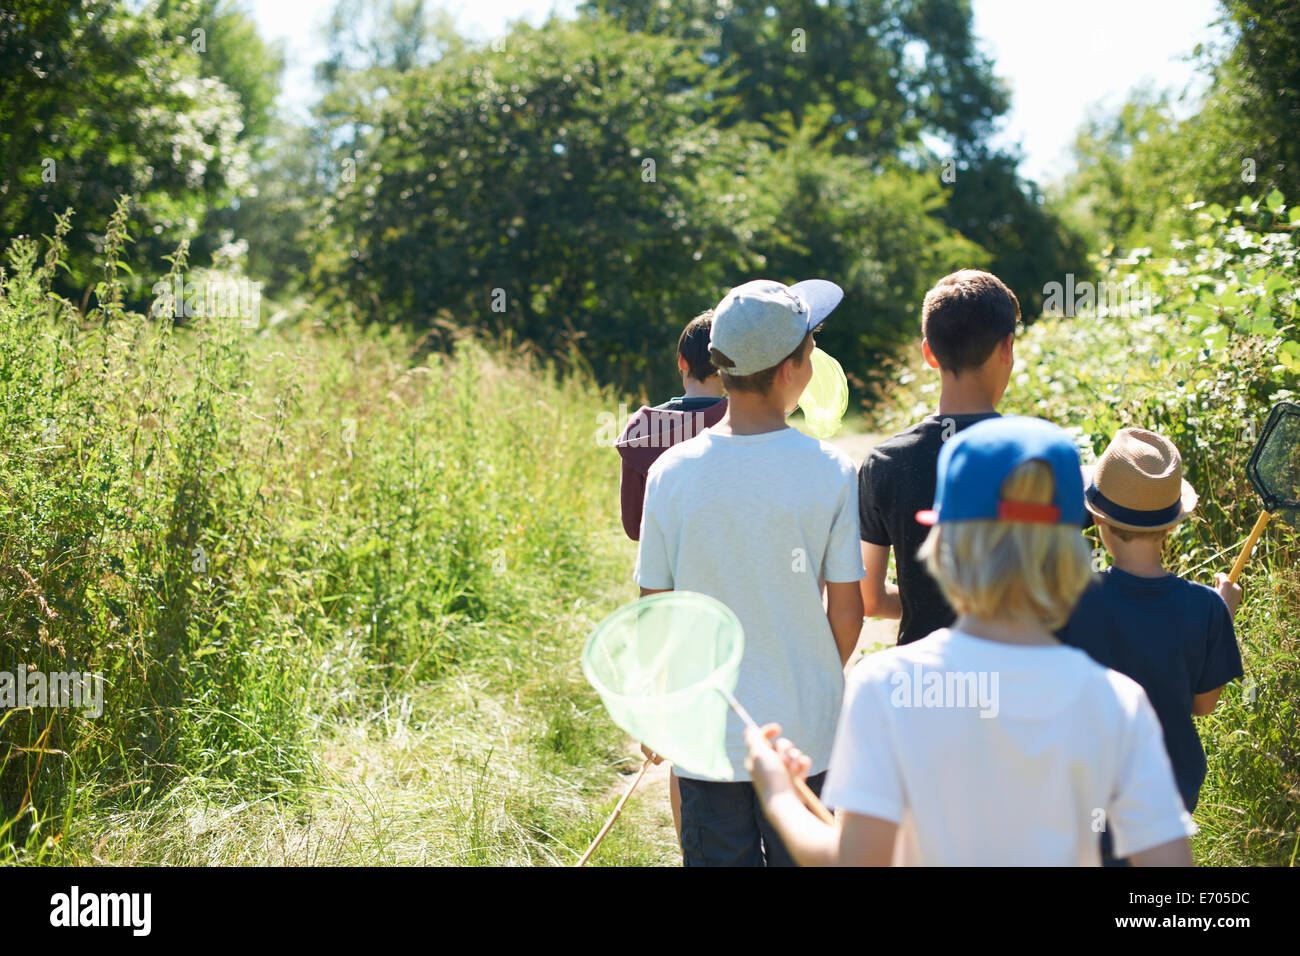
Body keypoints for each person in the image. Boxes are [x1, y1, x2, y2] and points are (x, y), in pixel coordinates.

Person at [745, 417, 1197, 866]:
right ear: (1067, 549)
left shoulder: (885, 687)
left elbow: (855, 859)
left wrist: (782, 794)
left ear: (944, 543)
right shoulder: (1117, 702)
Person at [634, 278, 865, 866]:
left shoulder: (669, 472)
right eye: (812, 351)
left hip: (708, 731)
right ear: (791, 370)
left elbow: (656, 608)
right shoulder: (831, 471)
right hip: (805, 737)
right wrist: (813, 675)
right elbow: (848, 607)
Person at [1059, 426, 1244, 864]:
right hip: (1167, 788)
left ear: (1098, 519)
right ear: (1172, 523)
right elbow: (1203, 704)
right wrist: (1223, 614)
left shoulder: (1070, 597)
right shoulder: (1206, 608)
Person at [857, 269, 1018, 645]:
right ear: (1007, 348)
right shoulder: (1040, 456)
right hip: (1021, 685)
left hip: (924, 683)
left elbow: (871, 598)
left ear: (928, 352)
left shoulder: (885, 462)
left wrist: (923, 605)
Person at [614, 311, 728, 842]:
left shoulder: (646, 430)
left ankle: (695, 849)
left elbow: (635, 527)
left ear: (682, 363)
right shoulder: (748, 420)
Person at [616, 311, 728, 541]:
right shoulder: (743, 422)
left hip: (665, 569)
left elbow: (634, 526)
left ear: (681, 361)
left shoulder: (642, 427)